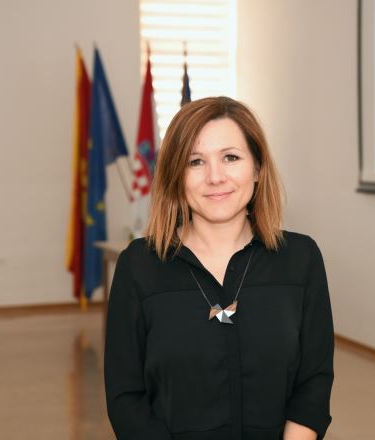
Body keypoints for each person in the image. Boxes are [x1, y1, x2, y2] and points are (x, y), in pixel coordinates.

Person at [104, 96, 334, 440]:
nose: (215, 177)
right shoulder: (139, 266)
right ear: (176, 176)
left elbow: (313, 381)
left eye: (231, 157)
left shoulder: (301, 259)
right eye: (195, 161)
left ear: (257, 168)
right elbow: (125, 397)